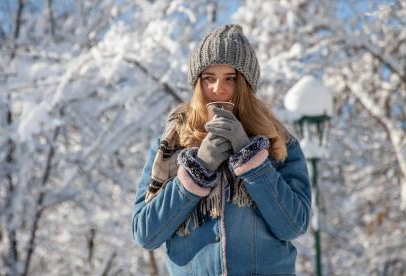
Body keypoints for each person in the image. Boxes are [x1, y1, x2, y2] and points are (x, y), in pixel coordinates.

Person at [132, 24, 311, 276]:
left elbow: (293, 225)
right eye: (209, 79)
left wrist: (251, 159)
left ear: (246, 85)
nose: (219, 89)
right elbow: (145, 233)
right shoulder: (171, 143)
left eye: (231, 78)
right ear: (197, 83)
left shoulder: (278, 142)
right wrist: (198, 168)